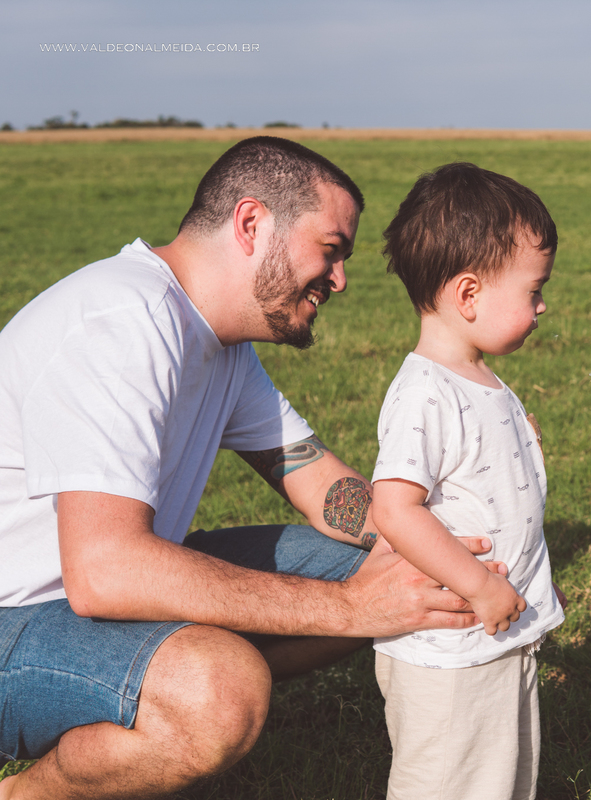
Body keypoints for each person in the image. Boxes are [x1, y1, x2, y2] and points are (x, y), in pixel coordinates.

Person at [0, 137, 501, 800]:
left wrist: (431, 548)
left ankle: (149, 696)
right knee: (219, 692)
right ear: (251, 223)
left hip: (86, 597)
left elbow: (321, 484)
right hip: (18, 615)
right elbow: (104, 571)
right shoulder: (120, 322)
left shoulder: (220, 345)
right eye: (331, 249)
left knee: (388, 566)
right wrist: (352, 608)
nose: (342, 279)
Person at [370, 162, 565, 800]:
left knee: (499, 775)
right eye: (534, 290)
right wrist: (479, 585)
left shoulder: (480, 379)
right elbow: (395, 510)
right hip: (449, 649)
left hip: (497, 632)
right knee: (447, 779)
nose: (543, 305)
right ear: (469, 295)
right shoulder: (425, 392)